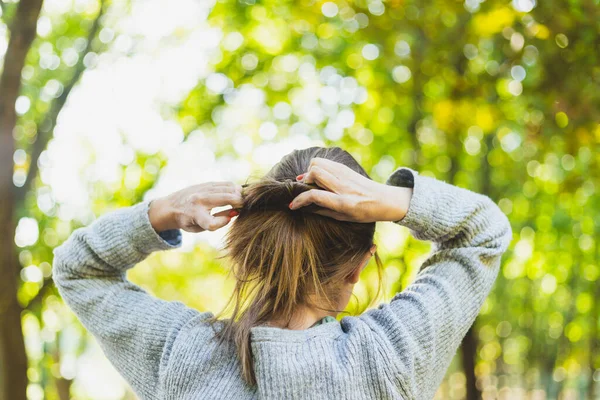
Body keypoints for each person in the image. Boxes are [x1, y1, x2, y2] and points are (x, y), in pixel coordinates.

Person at [52, 146, 512, 399]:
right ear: (358, 268)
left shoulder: (183, 356)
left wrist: (163, 212)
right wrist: (393, 200)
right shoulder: (390, 356)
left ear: (258, 253)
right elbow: (484, 233)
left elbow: (78, 270)